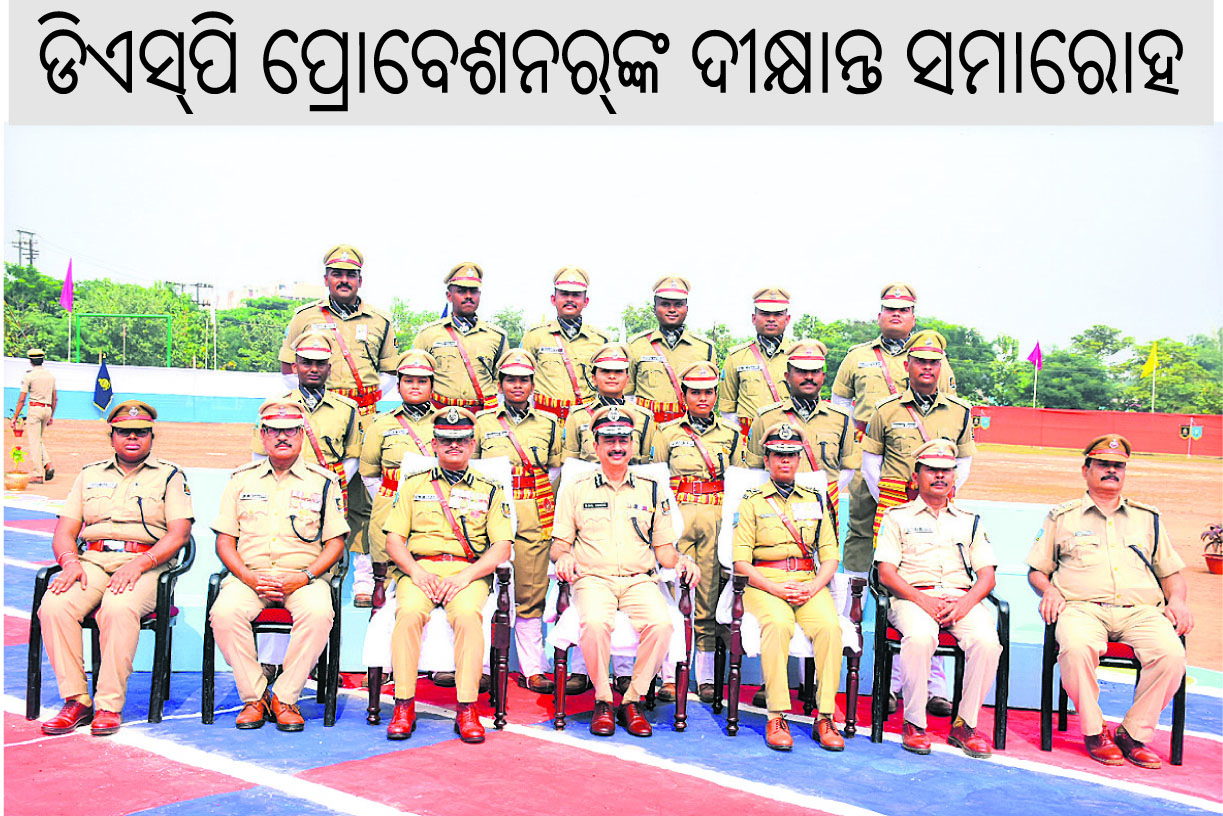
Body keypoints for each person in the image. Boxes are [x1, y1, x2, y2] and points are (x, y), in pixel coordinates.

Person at [1027, 434, 1192, 770]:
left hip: (1140, 612)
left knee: (1172, 655)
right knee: (1076, 649)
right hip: (1082, 609)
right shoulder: (1062, 517)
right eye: (1103, 464)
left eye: (1118, 466)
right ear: (1086, 470)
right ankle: (1095, 731)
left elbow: (1170, 572)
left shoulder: (1148, 518)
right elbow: (1037, 571)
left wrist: (1178, 600)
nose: (1111, 471)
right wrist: (1050, 590)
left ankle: (1133, 733)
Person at [37, 400, 193, 736]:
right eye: (124, 432)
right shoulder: (89, 474)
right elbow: (65, 531)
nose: (132, 438)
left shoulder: (170, 475)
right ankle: (77, 700)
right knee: (54, 605)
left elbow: (179, 533)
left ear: (151, 437)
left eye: (141, 432)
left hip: (146, 565)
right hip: (92, 561)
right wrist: (69, 562)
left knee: (118, 608)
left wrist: (140, 563)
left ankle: (108, 704)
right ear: (112, 437)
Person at [551, 404, 700, 737]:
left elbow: (664, 551)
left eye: (623, 440)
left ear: (632, 445)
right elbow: (559, 544)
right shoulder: (575, 486)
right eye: (609, 440)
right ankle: (603, 700)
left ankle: (632, 699)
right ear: (595, 444)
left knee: (662, 625)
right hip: (593, 580)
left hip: (639, 581)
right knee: (593, 624)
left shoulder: (652, 487)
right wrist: (563, 557)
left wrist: (683, 560)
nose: (617, 447)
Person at [209, 399, 349, 731]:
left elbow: (335, 542)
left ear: (301, 434)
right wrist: (247, 576)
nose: (282, 437)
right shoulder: (241, 480)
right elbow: (225, 540)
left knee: (319, 613)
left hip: (304, 579)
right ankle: (255, 697)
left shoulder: (323, 481)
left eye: (289, 430)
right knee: (224, 613)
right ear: (262, 435)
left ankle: (284, 697)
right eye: (273, 430)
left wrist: (305, 576)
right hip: (250, 578)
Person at [382, 407, 514, 744]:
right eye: (445, 439)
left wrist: (465, 576)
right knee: (408, 613)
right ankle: (403, 705)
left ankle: (467, 708)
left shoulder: (490, 488)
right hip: (420, 570)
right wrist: (415, 572)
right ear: (434, 444)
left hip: (467, 573)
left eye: (461, 440)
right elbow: (393, 540)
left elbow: (502, 547)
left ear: (472, 444)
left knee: (468, 616)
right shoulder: (412, 484)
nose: (454, 445)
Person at [279, 245, 398, 616]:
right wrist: (323, 403)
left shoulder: (380, 320)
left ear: (360, 279)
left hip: (365, 417)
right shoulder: (305, 318)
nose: (344, 280)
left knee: (364, 497)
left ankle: (364, 576)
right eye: (337, 274)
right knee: (311, 489)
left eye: (350, 275)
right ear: (326, 278)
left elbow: (390, 372)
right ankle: (308, 562)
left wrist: (360, 402)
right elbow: (288, 370)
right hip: (320, 417)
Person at [862, 329, 974, 715]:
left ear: (941, 367)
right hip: (895, 506)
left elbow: (963, 465)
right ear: (907, 365)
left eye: (933, 362)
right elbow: (871, 466)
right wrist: (900, 507)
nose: (927, 368)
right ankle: (894, 685)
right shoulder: (886, 409)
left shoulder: (959, 411)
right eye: (920, 361)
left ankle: (935, 687)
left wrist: (936, 496)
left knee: (939, 584)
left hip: (940, 510)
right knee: (898, 593)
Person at [875, 439, 1002, 758]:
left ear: (954, 477)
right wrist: (923, 600)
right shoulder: (896, 517)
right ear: (916, 476)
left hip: (961, 599)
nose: (940, 476)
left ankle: (965, 724)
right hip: (912, 598)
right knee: (920, 638)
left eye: (946, 470)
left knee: (987, 642)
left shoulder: (970, 520)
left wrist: (965, 603)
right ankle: (914, 723)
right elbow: (886, 574)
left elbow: (987, 576)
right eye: (932, 470)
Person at [830, 283, 956, 579]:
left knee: (921, 528)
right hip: (868, 455)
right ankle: (856, 598)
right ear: (879, 315)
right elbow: (840, 406)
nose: (896, 314)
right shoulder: (857, 356)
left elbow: (947, 407)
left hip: (916, 459)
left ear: (913, 317)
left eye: (903, 310)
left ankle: (912, 588)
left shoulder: (932, 359)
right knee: (861, 527)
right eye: (890, 309)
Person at [732, 421, 844, 752]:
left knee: (829, 628)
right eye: (777, 455)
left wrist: (815, 586)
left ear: (799, 459)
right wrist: (777, 589)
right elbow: (741, 562)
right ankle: (777, 715)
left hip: (809, 582)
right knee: (778, 624)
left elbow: (830, 555)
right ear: (767, 460)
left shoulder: (816, 499)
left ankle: (825, 716)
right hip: (765, 583)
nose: (785, 461)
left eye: (791, 455)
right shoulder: (752, 501)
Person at [473, 350, 563, 695]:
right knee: (485, 589)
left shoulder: (549, 423)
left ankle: (533, 669)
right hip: (489, 509)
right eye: (510, 379)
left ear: (532, 384)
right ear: (500, 384)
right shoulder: (482, 422)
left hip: (532, 509)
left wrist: (530, 498)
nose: (517, 385)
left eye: (524, 380)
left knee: (530, 590)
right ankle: (481, 667)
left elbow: (553, 470)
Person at [651, 361, 739, 702]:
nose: (702, 398)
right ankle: (669, 673)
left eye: (708, 392)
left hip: (716, 517)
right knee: (671, 591)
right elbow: (657, 479)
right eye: (695, 392)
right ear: (684, 395)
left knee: (707, 595)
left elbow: (738, 483)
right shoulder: (666, 432)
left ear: (716, 394)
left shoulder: (731, 434)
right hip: (676, 515)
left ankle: (704, 675)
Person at [259, 331, 362, 598]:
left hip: (329, 493)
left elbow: (352, 455)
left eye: (320, 364)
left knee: (328, 556)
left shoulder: (347, 409)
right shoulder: (277, 407)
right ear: (295, 367)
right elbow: (260, 455)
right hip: (285, 490)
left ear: (329, 367)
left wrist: (329, 487)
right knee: (285, 549)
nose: (313, 369)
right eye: (306, 363)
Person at [745, 340, 858, 529]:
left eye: (815, 371)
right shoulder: (766, 418)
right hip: (778, 514)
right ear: (787, 376)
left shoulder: (841, 418)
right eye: (801, 371)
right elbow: (754, 469)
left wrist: (823, 492)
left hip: (824, 511)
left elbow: (848, 467)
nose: (809, 377)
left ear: (823, 376)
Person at [359, 350, 439, 609]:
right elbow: (369, 474)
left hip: (433, 511)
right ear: (398, 385)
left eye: (422, 381)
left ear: (432, 385)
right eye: (408, 380)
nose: (415, 386)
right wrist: (391, 499)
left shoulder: (444, 422)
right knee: (384, 585)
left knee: (429, 585)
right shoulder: (381, 424)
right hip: (388, 510)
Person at [412, 263, 508, 412]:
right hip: (440, 414)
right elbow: (414, 376)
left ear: (479, 295)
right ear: (449, 296)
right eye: (461, 291)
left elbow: (505, 380)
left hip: (483, 416)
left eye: (473, 291)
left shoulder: (497, 336)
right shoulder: (428, 334)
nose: (468, 296)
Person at [521, 266, 610, 423]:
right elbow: (520, 380)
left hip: (584, 422)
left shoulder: (600, 340)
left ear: (586, 301)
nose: (570, 299)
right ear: (553, 299)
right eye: (564, 294)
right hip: (544, 421)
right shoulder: (535, 336)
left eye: (576, 295)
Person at [627, 276, 715, 424]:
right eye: (665, 304)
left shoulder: (705, 348)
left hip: (688, 428)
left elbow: (710, 395)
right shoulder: (636, 345)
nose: (672, 310)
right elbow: (627, 394)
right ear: (654, 308)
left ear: (686, 309)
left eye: (678, 305)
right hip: (649, 428)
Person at [562, 342, 655, 466]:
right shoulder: (577, 416)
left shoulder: (644, 417)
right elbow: (569, 465)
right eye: (605, 371)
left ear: (627, 379)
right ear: (594, 378)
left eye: (618, 371)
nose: (612, 376)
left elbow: (646, 467)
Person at [718, 287, 794, 438]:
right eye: (765, 314)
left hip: (788, 439)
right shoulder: (736, 357)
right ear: (754, 318)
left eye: (778, 314)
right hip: (747, 439)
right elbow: (727, 410)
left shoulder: (798, 357)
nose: (771, 319)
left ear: (787, 319)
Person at [11, 348, 57, 483]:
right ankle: (47, 464)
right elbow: (55, 398)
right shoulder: (50, 376)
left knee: (34, 442)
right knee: (38, 439)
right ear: (43, 360)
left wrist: (15, 417)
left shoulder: (29, 376)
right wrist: (51, 415)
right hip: (47, 409)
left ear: (30, 361)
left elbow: (22, 399)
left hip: (35, 409)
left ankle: (38, 474)